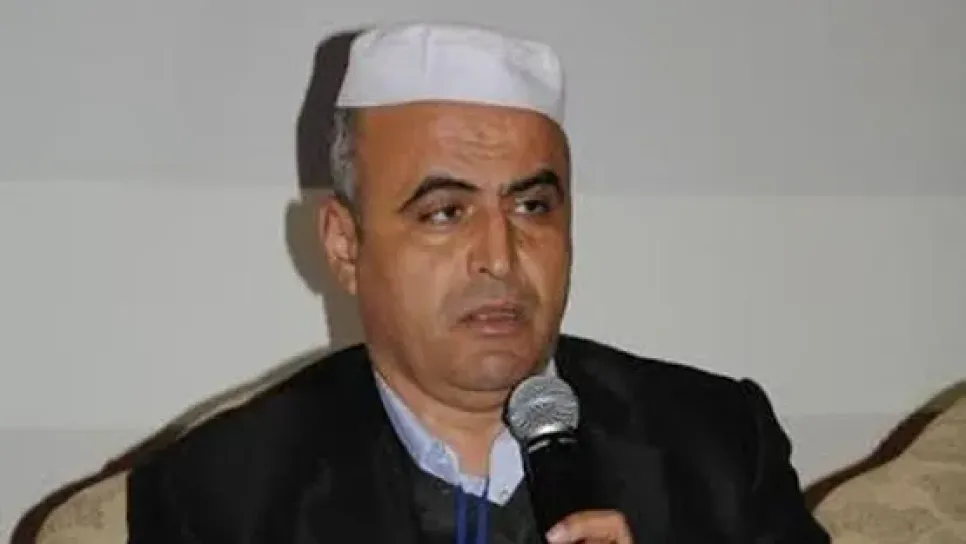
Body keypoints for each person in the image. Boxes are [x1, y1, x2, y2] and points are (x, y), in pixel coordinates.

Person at [121, 22, 830, 543]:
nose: (500, 256)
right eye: (445, 212)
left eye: (533, 206)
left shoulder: (717, 445)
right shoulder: (222, 496)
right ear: (345, 244)